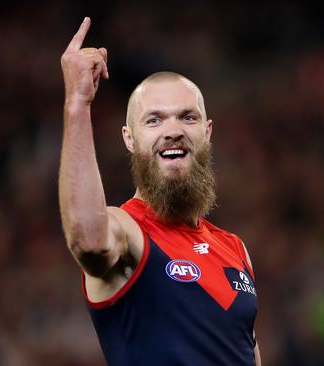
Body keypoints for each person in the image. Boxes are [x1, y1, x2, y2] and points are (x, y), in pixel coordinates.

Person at [59, 17, 261, 366]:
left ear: (207, 131)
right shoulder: (128, 231)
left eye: (188, 117)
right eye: (154, 120)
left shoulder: (234, 248)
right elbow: (88, 241)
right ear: (129, 138)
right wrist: (77, 106)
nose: (173, 130)